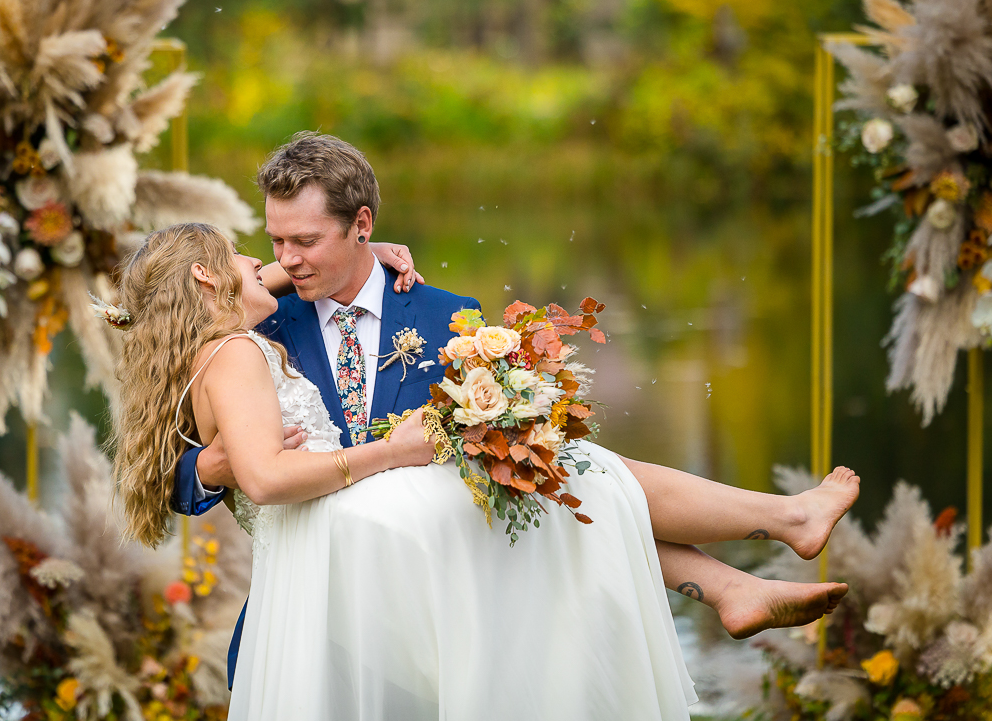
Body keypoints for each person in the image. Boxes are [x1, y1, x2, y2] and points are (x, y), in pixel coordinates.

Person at [169, 133, 858, 675]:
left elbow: (501, 462)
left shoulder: (449, 317)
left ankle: (737, 569)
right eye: (275, 240)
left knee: (544, 458)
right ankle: (762, 539)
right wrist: (210, 467)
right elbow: (162, 467)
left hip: (445, 592)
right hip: (318, 601)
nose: (286, 259)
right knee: (569, 464)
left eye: (305, 240)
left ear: (362, 224)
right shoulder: (252, 322)